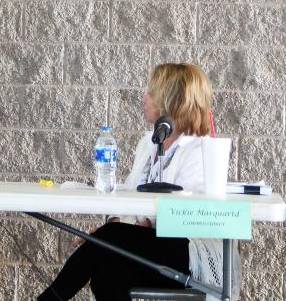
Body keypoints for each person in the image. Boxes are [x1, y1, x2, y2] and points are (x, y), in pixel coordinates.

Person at [39, 62, 241, 301]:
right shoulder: (148, 144)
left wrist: (113, 233)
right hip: (150, 247)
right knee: (107, 269)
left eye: (152, 93)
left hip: (189, 252)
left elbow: (185, 217)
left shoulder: (200, 149)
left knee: (108, 242)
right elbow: (132, 200)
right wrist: (113, 228)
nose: (144, 98)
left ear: (171, 101)